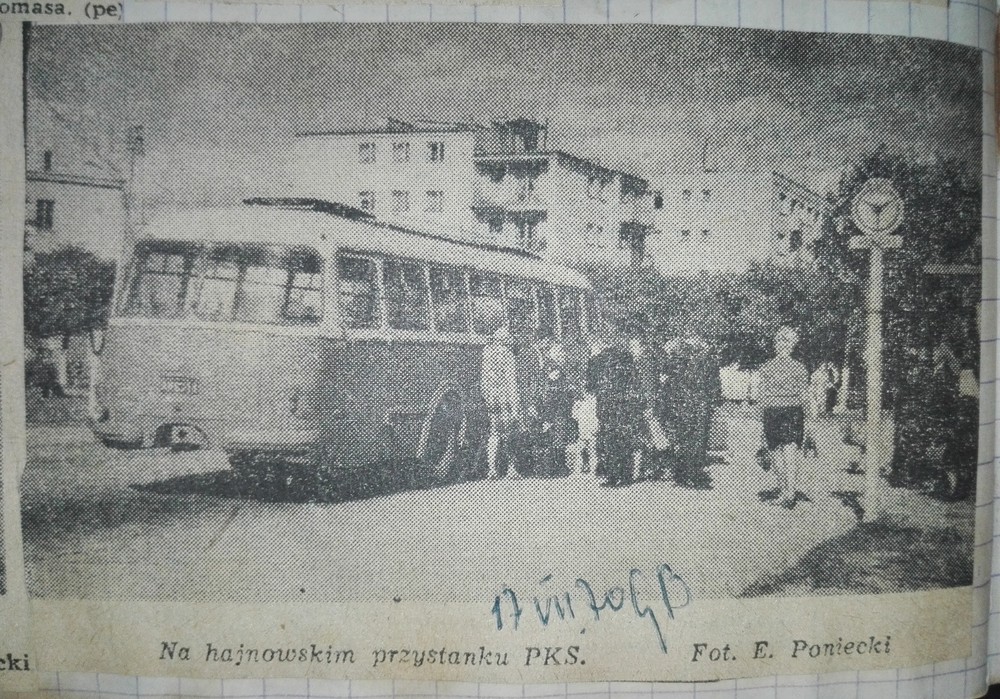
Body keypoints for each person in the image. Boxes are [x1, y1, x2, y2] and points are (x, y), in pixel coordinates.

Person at [586, 319, 646, 487]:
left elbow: (589, 387)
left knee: (609, 438)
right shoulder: (627, 357)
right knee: (624, 437)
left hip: (606, 405)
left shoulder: (596, 360)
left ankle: (613, 475)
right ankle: (625, 474)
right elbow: (635, 381)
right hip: (623, 404)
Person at [758, 326, 809, 508]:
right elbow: (805, 396)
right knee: (790, 452)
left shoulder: (766, 367)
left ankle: (783, 491)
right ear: (793, 346)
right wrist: (809, 421)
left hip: (772, 410)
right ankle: (791, 492)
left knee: (775, 452)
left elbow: (761, 396)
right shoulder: (800, 368)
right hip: (793, 411)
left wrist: (760, 422)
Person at [480, 325, 523, 480]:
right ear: (505, 340)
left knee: (494, 433)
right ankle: (511, 469)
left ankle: (492, 469)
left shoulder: (487, 352)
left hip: (492, 398)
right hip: (505, 399)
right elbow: (511, 382)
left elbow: (484, 381)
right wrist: (515, 406)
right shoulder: (507, 354)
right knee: (509, 434)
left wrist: (487, 398)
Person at [534, 343, 578, 478]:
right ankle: (554, 469)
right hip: (556, 410)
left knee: (556, 438)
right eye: (560, 353)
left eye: (563, 352)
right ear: (553, 354)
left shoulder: (552, 368)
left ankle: (554, 468)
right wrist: (548, 416)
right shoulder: (553, 369)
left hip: (556, 410)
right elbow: (550, 394)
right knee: (557, 438)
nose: (563, 355)